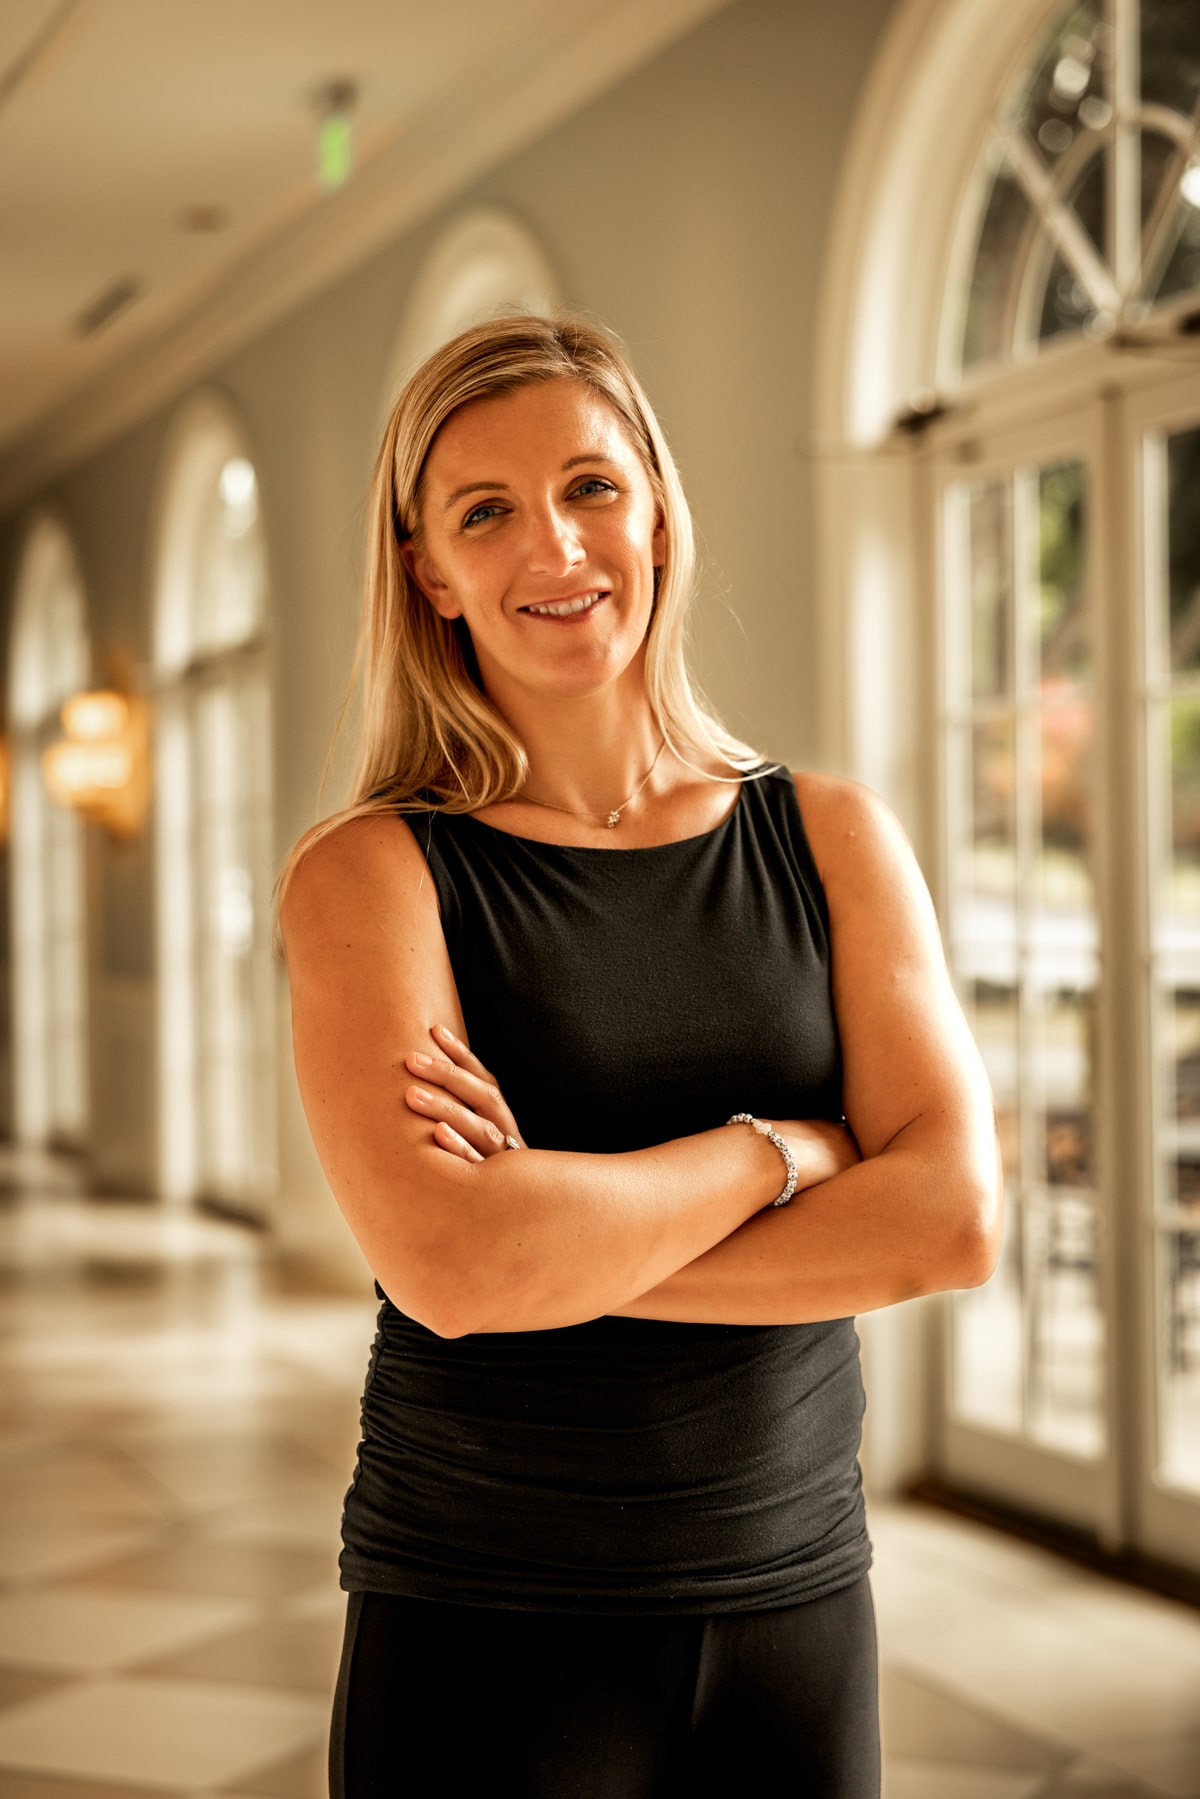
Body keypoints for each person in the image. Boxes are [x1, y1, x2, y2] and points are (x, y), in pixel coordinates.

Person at [276, 313, 1001, 1798]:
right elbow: (458, 1271)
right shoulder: (373, 875)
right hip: (487, 1615)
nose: (555, 543)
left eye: (591, 487)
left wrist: (559, 1239)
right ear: (430, 570)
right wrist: (781, 1155)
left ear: (658, 507)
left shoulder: (831, 837)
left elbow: (952, 1219)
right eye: (486, 511)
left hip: (801, 1596)